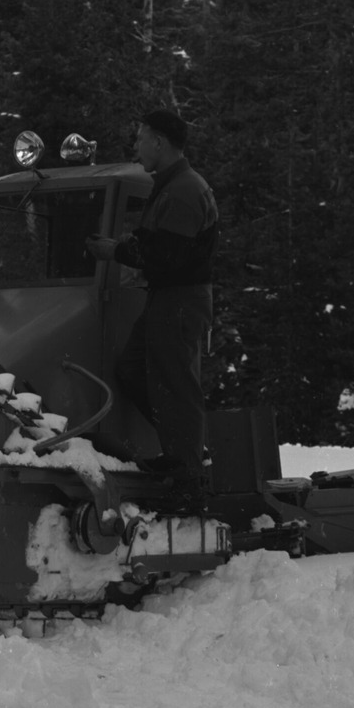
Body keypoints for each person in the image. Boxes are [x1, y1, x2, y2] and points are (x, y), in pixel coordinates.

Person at [87, 108, 219, 494]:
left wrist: (114, 252)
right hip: (167, 297)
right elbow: (155, 247)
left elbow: (165, 256)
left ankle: (188, 473)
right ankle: (181, 451)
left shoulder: (184, 190)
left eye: (141, 138)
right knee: (134, 370)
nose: (136, 145)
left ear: (159, 142)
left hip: (180, 299)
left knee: (177, 382)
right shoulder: (171, 185)